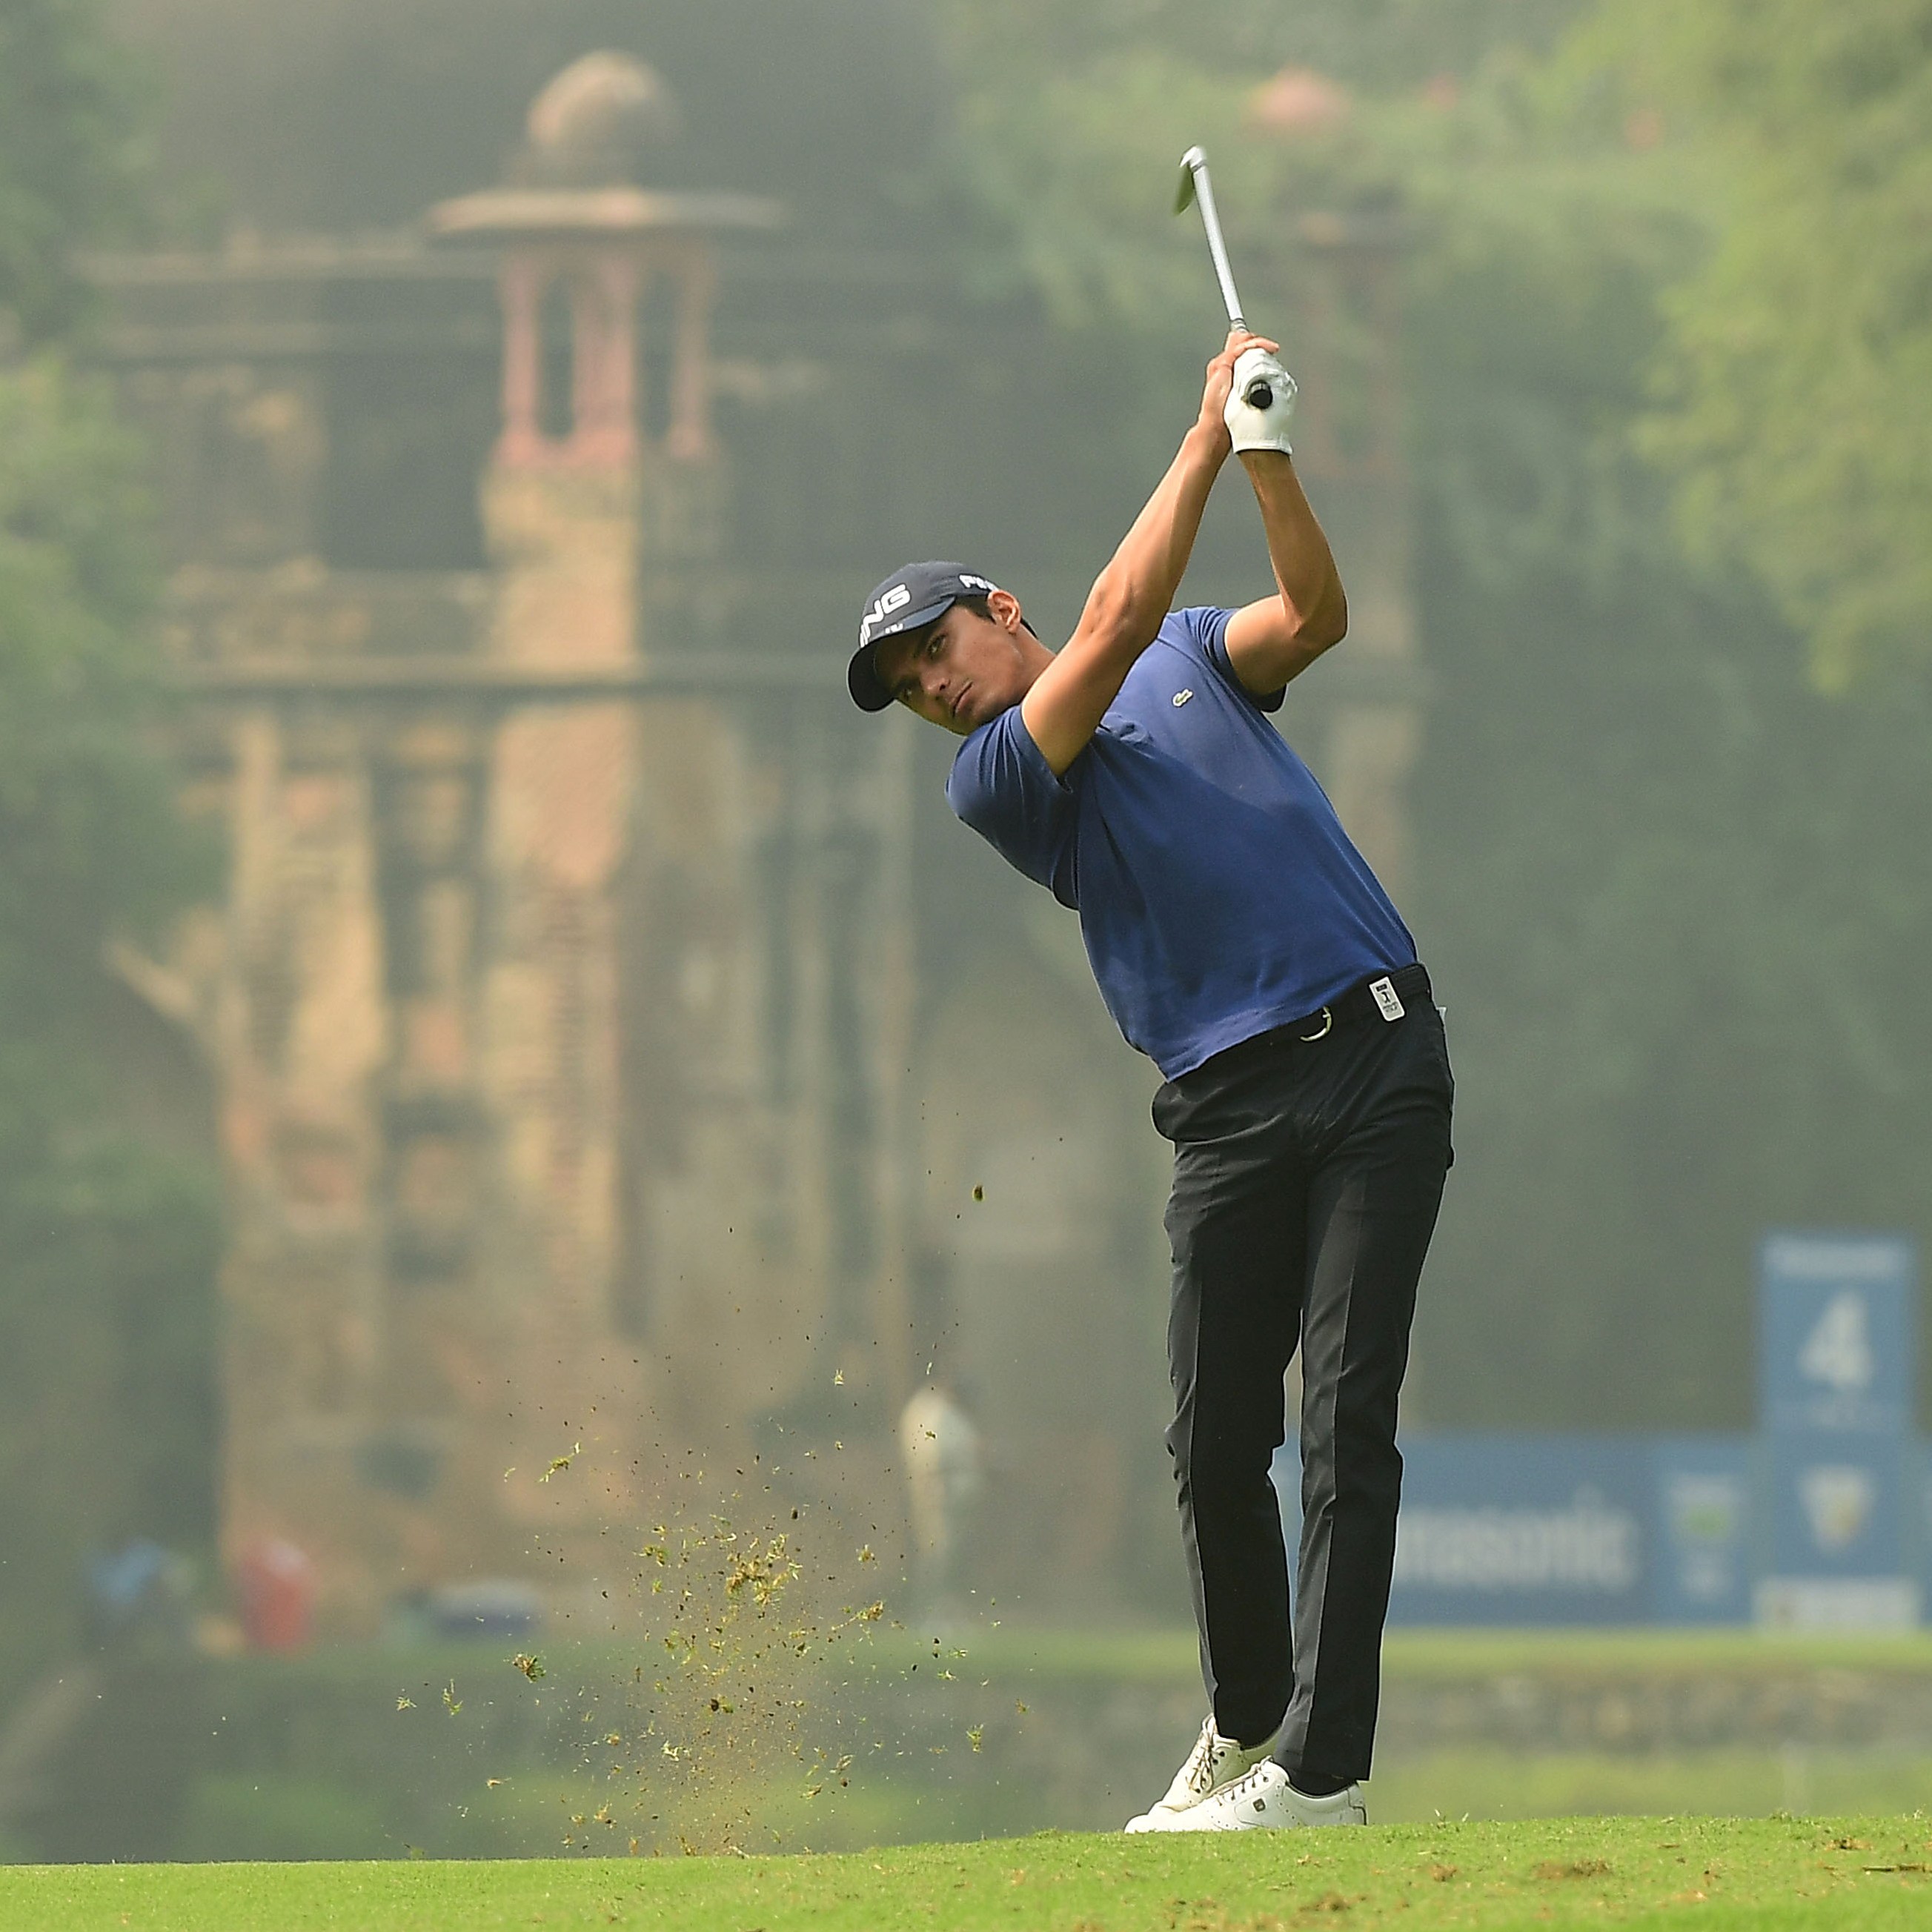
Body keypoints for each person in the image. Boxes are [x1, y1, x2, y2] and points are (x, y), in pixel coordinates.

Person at [845, 330, 1453, 1832]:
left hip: (1374, 1055)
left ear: (999, 610)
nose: (935, 689)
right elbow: (1112, 618)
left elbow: (1314, 616)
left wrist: (1269, 456)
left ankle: (1322, 1770)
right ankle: (1243, 1725)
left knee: (1344, 1417)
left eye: (937, 651)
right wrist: (1204, 434)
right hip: (1225, 1113)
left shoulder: (1191, 653)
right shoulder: (997, 779)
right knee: (1210, 1443)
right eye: (912, 687)